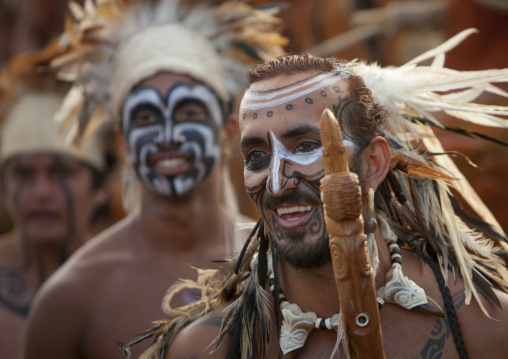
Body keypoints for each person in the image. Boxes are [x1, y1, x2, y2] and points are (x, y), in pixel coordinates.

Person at [132, 30, 508, 359]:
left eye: (309, 146)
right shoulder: (206, 349)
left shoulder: (488, 329)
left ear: (374, 163)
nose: (277, 184)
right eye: (257, 157)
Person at [23, 1, 286, 358]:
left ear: (228, 131)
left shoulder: (284, 266)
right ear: (123, 141)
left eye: (188, 112)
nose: (167, 135)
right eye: (146, 117)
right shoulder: (70, 298)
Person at [0, 44, 109, 359]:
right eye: (23, 174)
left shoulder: (126, 281)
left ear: (100, 186)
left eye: (61, 172)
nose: (41, 192)